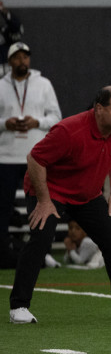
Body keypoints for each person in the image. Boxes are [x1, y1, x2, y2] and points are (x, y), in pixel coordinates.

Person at [9, 86, 111, 324]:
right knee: (41, 239)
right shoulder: (68, 131)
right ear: (99, 109)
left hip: (86, 195)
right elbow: (34, 159)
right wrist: (44, 201)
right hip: (50, 190)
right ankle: (19, 307)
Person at [0, 42, 61, 265]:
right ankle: (3, 253)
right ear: (9, 61)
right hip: (5, 156)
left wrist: (38, 121)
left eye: (25, 57)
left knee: (41, 205)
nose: (22, 61)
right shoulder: (1, 86)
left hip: (36, 156)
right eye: (17, 57)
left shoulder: (43, 84)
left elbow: (56, 118)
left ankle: (43, 253)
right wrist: (6, 123)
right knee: (3, 208)